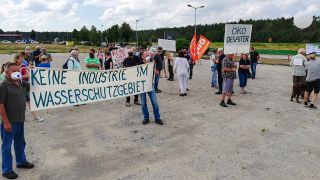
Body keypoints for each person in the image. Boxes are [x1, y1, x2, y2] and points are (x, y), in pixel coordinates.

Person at [0, 63, 35, 179]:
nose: (16, 72)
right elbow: (0, 105)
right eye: (13, 70)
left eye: (17, 69)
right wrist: (6, 122)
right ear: (7, 72)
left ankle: (21, 161)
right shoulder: (3, 85)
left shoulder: (19, 82)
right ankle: (7, 170)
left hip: (20, 120)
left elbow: (29, 87)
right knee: (7, 146)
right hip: (10, 122)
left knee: (20, 142)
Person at [13, 54, 44, 122]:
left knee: (29, 102)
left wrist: (22, 75)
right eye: (20, 59)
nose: (22, 60)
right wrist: (24, 76)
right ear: (16, 59)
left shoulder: (23, 66)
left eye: (22, 59)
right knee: (17, 103)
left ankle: (35, 116)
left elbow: (29, 74)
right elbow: (12, 77)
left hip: (24, 86)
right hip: (15, 87)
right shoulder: (13, 67)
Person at [139, 52, 163, 125]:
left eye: (148, 55)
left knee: (154, 102)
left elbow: (157, 73)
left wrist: (152, 66)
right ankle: (146, 117)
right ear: (142, 56)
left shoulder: (152, 64)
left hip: (150, 85)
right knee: (143, 103)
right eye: (146, 55)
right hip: (141, 86)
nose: (147, 56)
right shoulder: (139, 63)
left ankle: (157, 118)